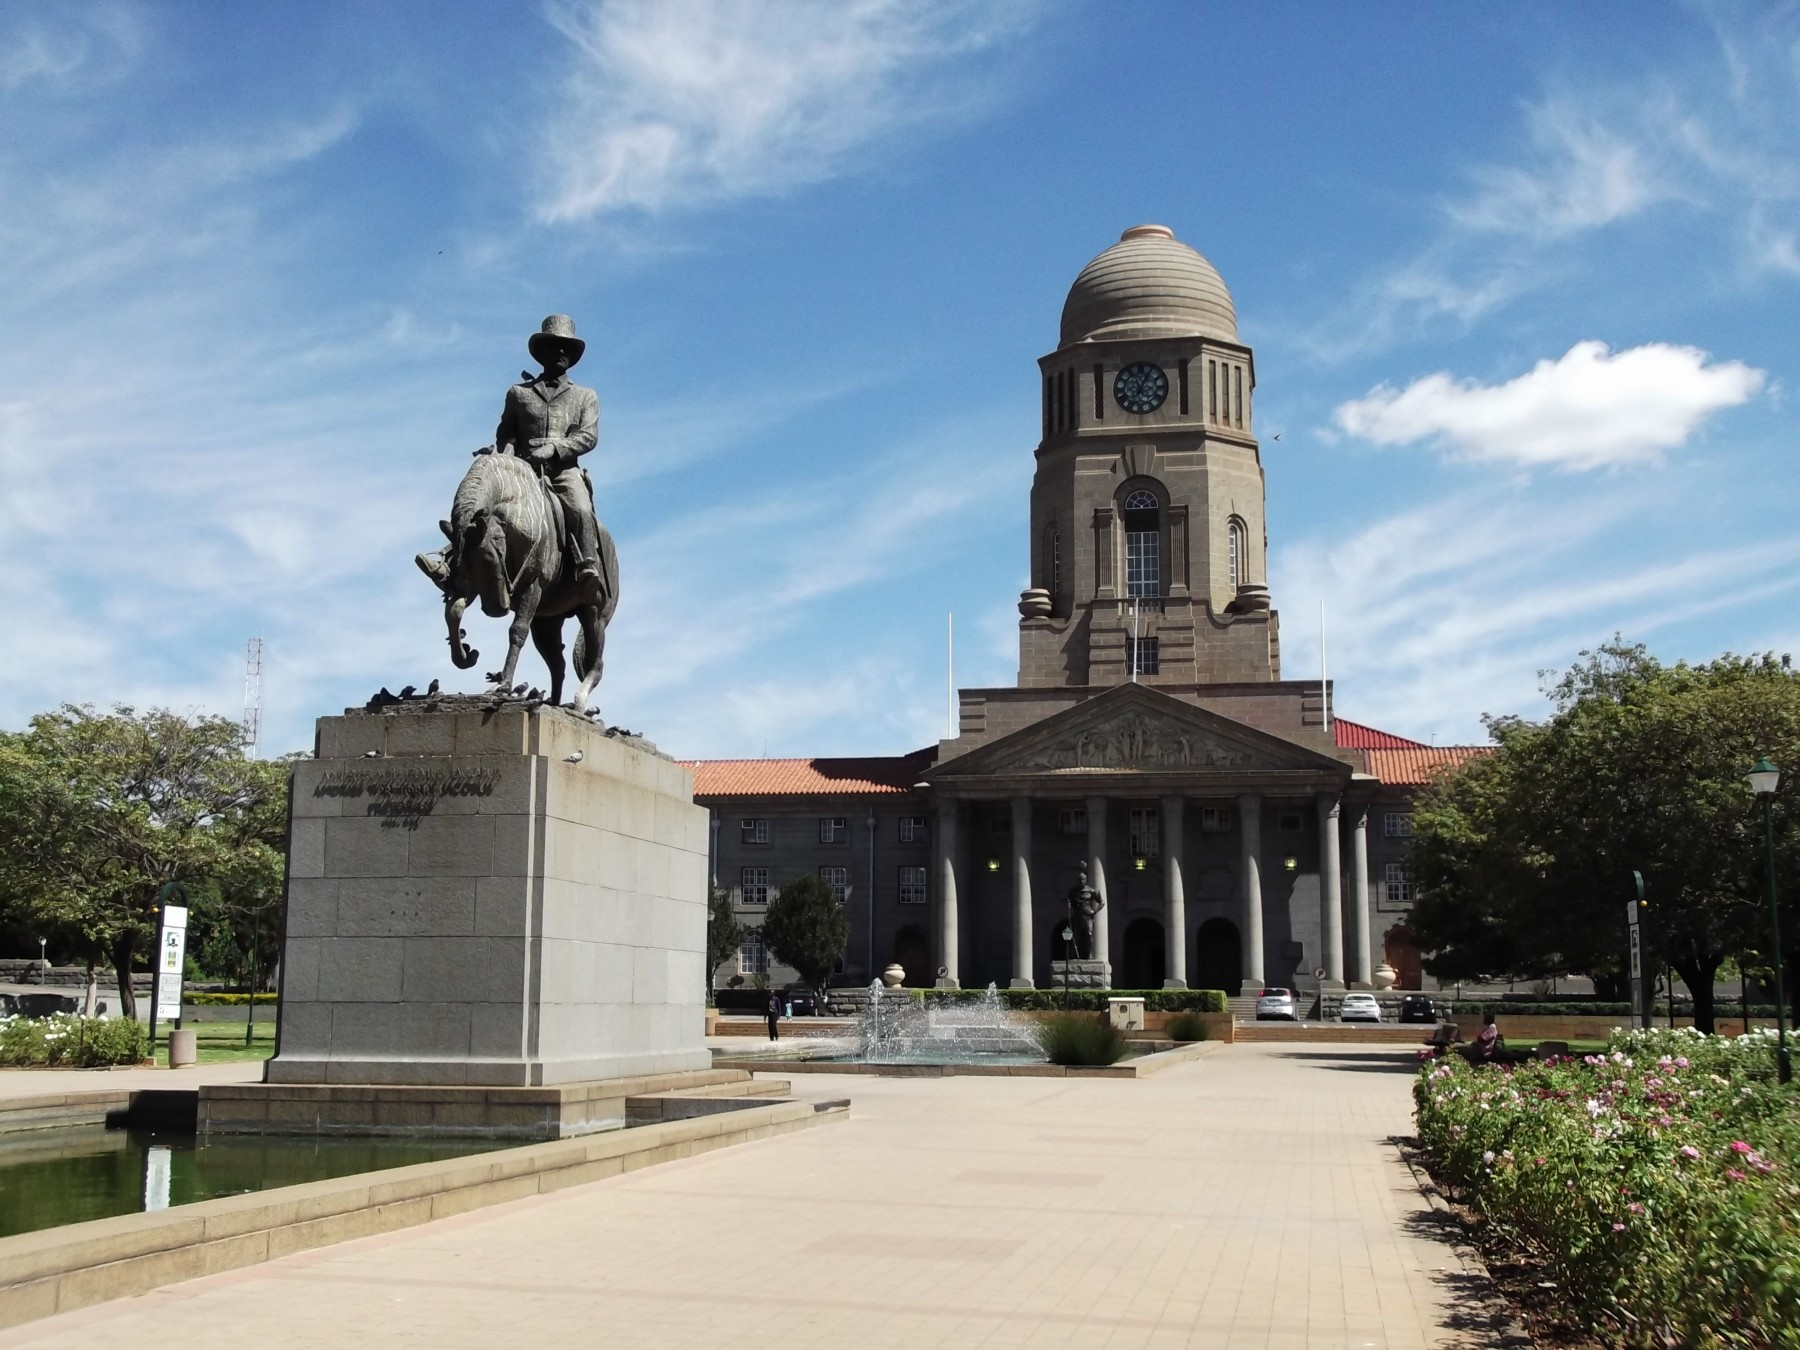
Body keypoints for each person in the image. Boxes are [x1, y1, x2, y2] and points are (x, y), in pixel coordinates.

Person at [494, 315, 603, 594]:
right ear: (542, 352)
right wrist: (506, 456)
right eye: (555, 346)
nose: (562, 352)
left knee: (580, 507)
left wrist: (555, 449)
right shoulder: (519, 394)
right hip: (523, 470)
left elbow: (588, 436)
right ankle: (455, 562)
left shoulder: (584, 396)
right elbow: (506, 433)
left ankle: (586, 564)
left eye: (567, 348)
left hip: (563, 470)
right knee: (488, 504)